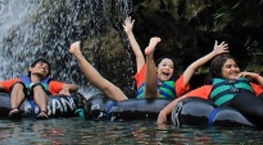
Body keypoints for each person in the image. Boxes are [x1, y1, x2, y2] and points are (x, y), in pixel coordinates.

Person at [70, 20, 228, 101]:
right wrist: (129, 33)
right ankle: (78, 55)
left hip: (159, 102)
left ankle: (150, 54)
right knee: (108, 88)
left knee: (151, 91)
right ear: (157, 68)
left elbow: (193, 67)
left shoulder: (177, 84)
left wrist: (213, 53)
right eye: (164, 65)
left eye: (171, 67)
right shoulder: (144, 75)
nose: (167, 68)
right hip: (138, 102)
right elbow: (138, 54)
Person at [156, 54, 263, 130]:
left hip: (251, 105)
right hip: (230, 107)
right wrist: (164, 112)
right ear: (218, 72)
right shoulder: (209, 88)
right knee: (242, 95)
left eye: (235, 66)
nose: (234, 69)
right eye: (229, 67)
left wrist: (256, 77)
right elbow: (183, 99)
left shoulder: (247, 84)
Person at [0, 58, 78, 119]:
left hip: (42, 97)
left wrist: (66, 88)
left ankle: (43, 112)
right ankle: (14, 109)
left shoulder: (50, 84)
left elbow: (74, 86)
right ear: (31, 69)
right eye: (41, 64)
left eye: (47, 68)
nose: (44, 67)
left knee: (37, 86)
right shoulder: (19, 80)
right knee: (18, 85)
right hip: (20, 97)